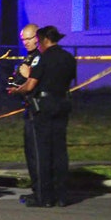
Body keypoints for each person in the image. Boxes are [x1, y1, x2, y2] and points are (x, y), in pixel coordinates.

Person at [9, 26, 76, 207]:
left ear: (45, 40)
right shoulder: (69, 58)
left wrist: (17, 89)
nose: (37, 44)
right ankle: (61, 195)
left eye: (38, 40)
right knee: (60, 152)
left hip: (43, 108)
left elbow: (30, 85)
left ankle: (43, 197)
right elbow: (69, 80)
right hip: (63, 105)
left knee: (41, 153)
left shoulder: (42, 58)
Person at [10, 24, 42, 204]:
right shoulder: (29, 56)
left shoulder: (40, 56)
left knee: (37, 152)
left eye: (29, 39)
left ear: (37, 37)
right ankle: (35, 188)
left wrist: (27, 73)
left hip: (38, 109)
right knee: (30, 152)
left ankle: (40, 191)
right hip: (29, 107)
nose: (26, 42)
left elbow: (39, 80)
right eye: (23, 40)